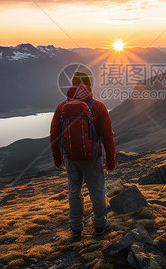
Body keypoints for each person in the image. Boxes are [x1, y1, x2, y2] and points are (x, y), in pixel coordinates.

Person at [50, 71, 116, 239]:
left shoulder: (61, 107)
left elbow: (54, 135)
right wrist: (111, 162)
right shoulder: (98, 106)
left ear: (72, 85)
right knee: (97, 190)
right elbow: (108, 136)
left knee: (74, 191)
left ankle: (76, 228)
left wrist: (58, 159)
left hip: (71, 158)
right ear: (88, 85)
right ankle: (100, 224)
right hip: (92, 158)